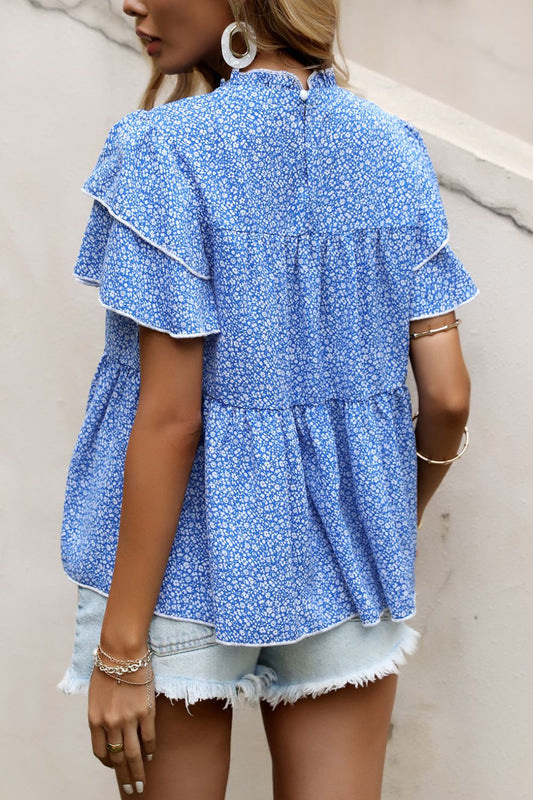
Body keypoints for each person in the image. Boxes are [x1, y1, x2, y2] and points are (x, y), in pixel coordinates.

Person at [56, 1, 479, 798]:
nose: (131, 3)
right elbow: (448, 396)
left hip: (180, 567)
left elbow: (171, 417)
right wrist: (384, 524)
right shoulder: (391, 148)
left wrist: (120, 652)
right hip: (347, 561)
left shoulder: (164, 149)